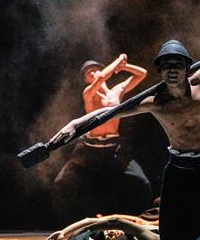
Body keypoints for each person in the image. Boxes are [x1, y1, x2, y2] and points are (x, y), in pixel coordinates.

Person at [51, 22, 200, 240]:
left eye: (177, 65)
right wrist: (74, 124)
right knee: (172, 239)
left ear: (187, 68)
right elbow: (109, 113)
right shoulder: (155, 101)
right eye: (167, 66)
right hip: (180, 171)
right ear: (161, 71)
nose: (172, 71)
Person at [53, 53, 152, 224]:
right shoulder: (89, 93)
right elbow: (100, 78)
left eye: (95, 70)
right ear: (86, 79)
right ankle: (69, 224)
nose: (92, 73)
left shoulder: (117, 92)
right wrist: (117, 62)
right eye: (88, 73)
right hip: (88, 151)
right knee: (61, 182)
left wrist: (124, 66)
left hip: (113, 149)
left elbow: (142, 74)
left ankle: (135, 223)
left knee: (142, 183)